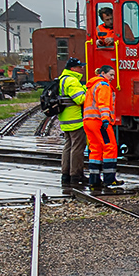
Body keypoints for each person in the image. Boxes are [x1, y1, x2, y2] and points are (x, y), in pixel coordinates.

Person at [81, 64, 119, 191]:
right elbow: (103, 104)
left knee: (95, 149)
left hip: (88, 121)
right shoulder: (103, 85)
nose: (112, 77)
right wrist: (105, 120)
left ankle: (94, 180)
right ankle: (110, 180)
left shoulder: (92, 85)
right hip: (99, 122)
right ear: (103, 73)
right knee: (110, 147)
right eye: (111, 75)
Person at [56, 57, 89, 189]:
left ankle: (66, 174)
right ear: (72, 69)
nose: (82, 68)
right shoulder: (72, 81)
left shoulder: (62, 79)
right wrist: (88, 91)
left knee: (68, 146)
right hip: (75, 120)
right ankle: (76, 175)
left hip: (66, 119)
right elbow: (80, 99)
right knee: (77, 148)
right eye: (79, 66)